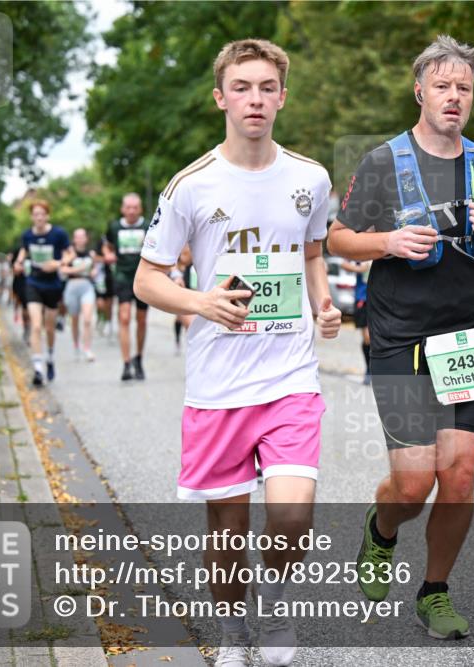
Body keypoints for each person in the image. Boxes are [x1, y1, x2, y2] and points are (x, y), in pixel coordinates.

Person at [134, 39, 341, 667]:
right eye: (242, 87)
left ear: (283, 96)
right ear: (221, 97)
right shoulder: (191, 185)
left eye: (267, 87)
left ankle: (274, 608)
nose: (255, 98)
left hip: (289, 375)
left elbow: (311, 250)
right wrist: (201, 304)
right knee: (226, 535)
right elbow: (147, 279)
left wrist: (324, 304)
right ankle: (231, 632)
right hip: (219, 383)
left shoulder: (310, 177)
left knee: (292, 514)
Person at [327, 35, 474, 640]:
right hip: (398, 337)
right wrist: (385, 242)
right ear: (420, 91)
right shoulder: (383, 161)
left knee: (461, 475)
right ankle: (381, 529)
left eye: (463, 88)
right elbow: (338, 238)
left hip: (465, 337)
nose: (454, 97)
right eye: (442, 86)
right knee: (413, 483)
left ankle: (435, 591)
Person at [15, 200, 73, 387]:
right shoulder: (27, 235)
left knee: (49, 328)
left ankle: (49, 356)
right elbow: (24, 252)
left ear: (47, 216)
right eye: (35, 214)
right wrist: (18, 262)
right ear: (32, 217)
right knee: (36, 325)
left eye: (42, 214)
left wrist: (57, 264)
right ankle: (38, 369)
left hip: (52, 285)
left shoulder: (58, 234)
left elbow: (70, 254)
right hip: (33, 283)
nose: (39, 217)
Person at [104, 193, 151, 381]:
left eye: (135, 207)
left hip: (143, 277)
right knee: (124, 317)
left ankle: (138, 358)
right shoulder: (114, 227)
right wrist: (108, 254)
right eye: (128, 207)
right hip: (123, 276)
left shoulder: (147, 226)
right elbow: (106, 246)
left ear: (139, 209)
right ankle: (126, 364)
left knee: (141, 320)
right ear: (122, 209)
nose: (131, 211)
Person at [63, 228, 97, 362]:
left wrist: (93, 272)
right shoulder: (69, 253)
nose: (80, 239)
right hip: (72, 286)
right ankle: (76, 345)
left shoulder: (91, 254)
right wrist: (80, 269)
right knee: (75, 319)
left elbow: (95, 270)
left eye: (82, 236)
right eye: (77, 236)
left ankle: (87, 348)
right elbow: (63, 269)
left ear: (86, 239)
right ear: (74, 239)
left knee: (88, 319)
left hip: (87, 286)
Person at [340, 259, 372, 383]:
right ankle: (369, 369)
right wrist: (360, 269)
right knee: (368, 337)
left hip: (383, 297)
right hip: (363, 298)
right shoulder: (363, 245)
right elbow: (344, 264)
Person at [93, 234, 115, 338]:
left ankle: (108, 322)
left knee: (109, 303)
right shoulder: (100, 242)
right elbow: (95, 257)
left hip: (110, 276)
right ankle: (100, 317)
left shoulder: (114, 242)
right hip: (100, 277)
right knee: (100, 303)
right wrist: (105, 259)